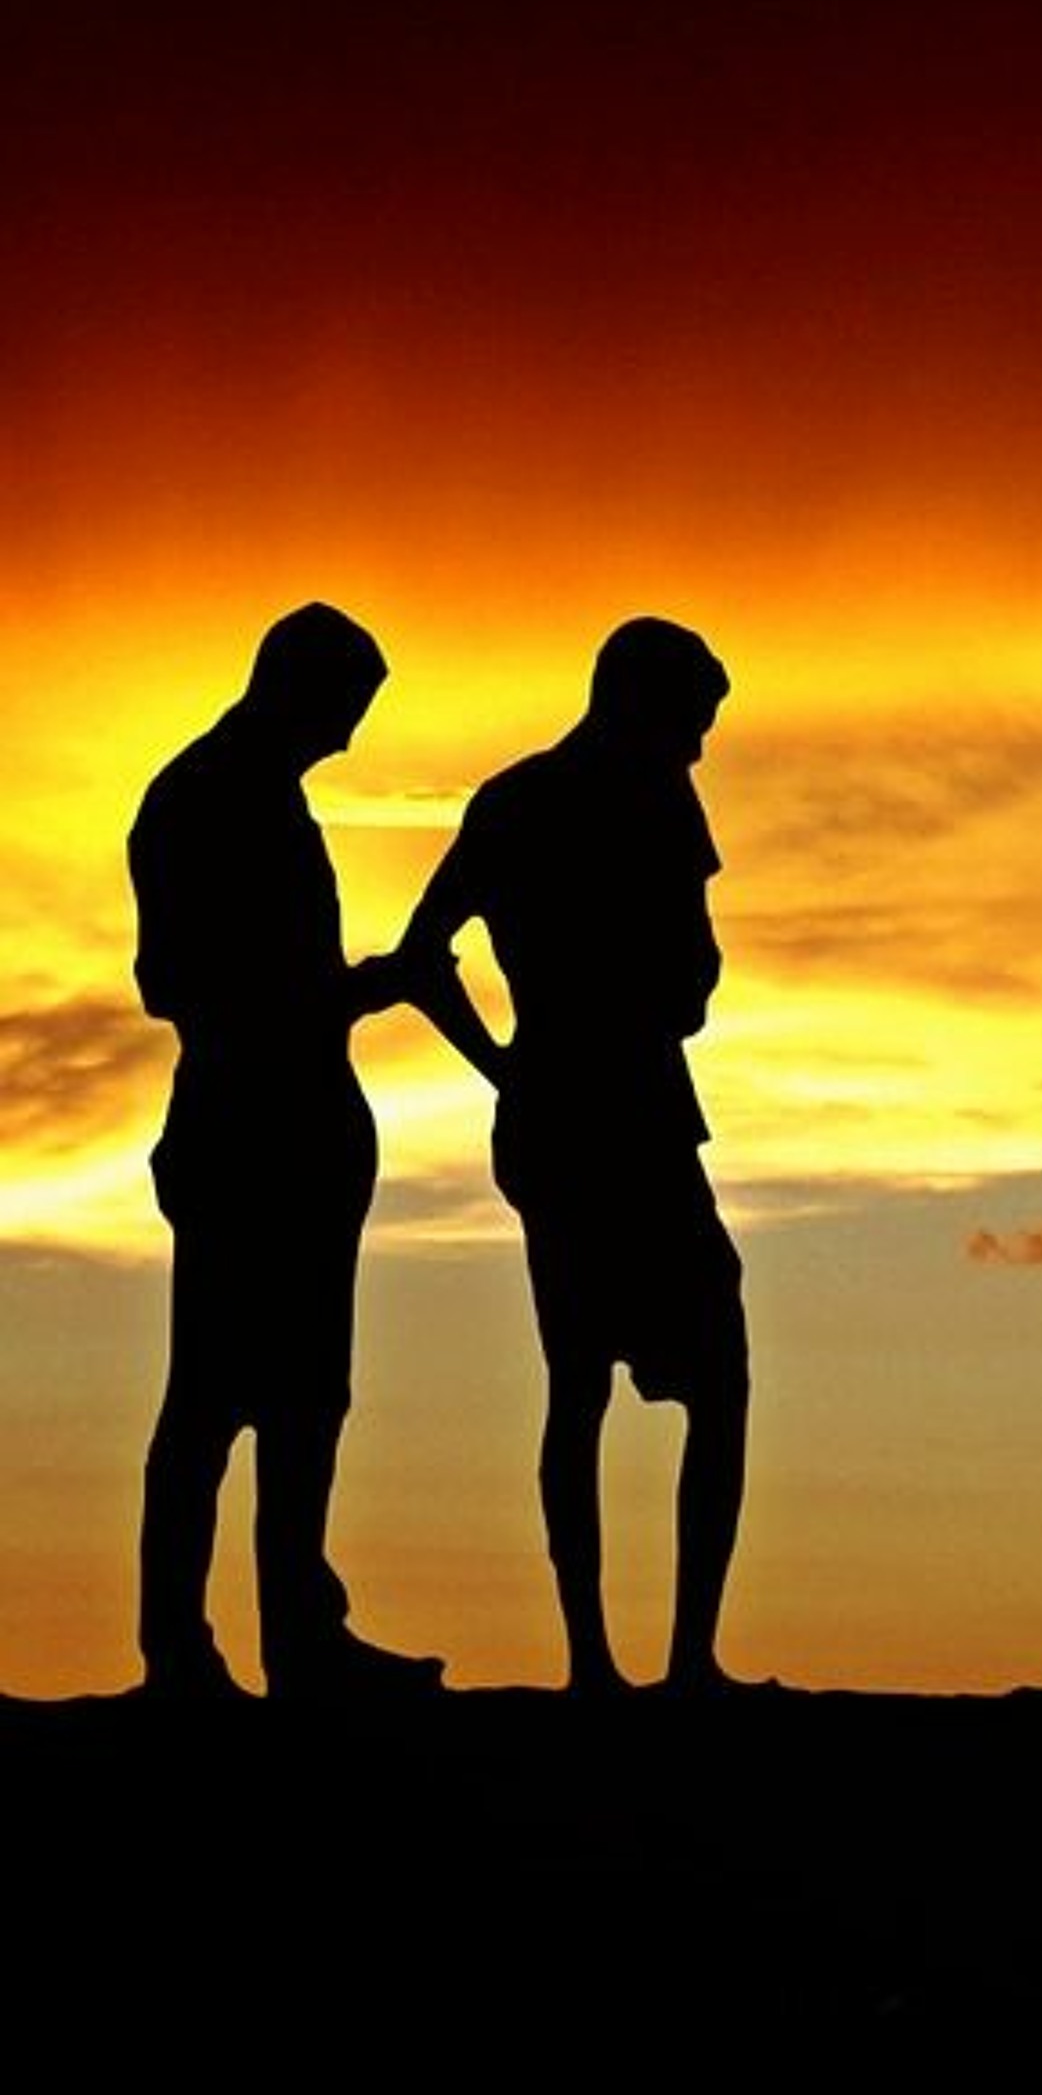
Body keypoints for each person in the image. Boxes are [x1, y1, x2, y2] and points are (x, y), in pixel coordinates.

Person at [397, 618, 753, 1697]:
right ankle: (647, 1662)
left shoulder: (520, 801)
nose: (699, 747)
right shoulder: (624, 799)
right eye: (692, 723)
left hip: (573, 1109)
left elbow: (423, 958)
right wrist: (505, 1067)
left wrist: (507, 1069)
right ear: (643, 703)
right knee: (670, 1375)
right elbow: (424, 959)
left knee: (591, 1382)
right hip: (614, 1114)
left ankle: (633, 1660)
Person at [129, 601, 446, 1704]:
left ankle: (299, 1638)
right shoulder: (204, 799)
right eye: (346, 707)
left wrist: (348, 992)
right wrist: (359, 990)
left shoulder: (254, 796)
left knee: (307, 1397)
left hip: (299, 1132)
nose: (352, 735)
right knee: (212, 1398)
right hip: (244, 1133)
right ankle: (181, 1650)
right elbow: (176, 982)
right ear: (299, 689)